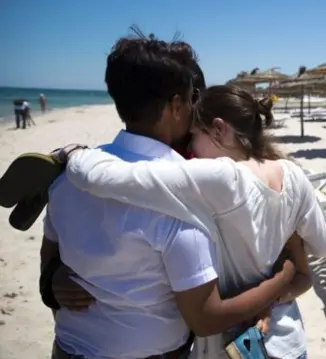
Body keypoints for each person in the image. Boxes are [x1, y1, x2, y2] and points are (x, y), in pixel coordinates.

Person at [42, 35, 298, 359]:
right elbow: (204, 317)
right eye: (193, 98)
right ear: (177, 106)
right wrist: (284, 277)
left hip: (65, 349)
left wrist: (50, 278)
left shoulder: (68, 178)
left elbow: (49, 252)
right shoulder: (185, 197)